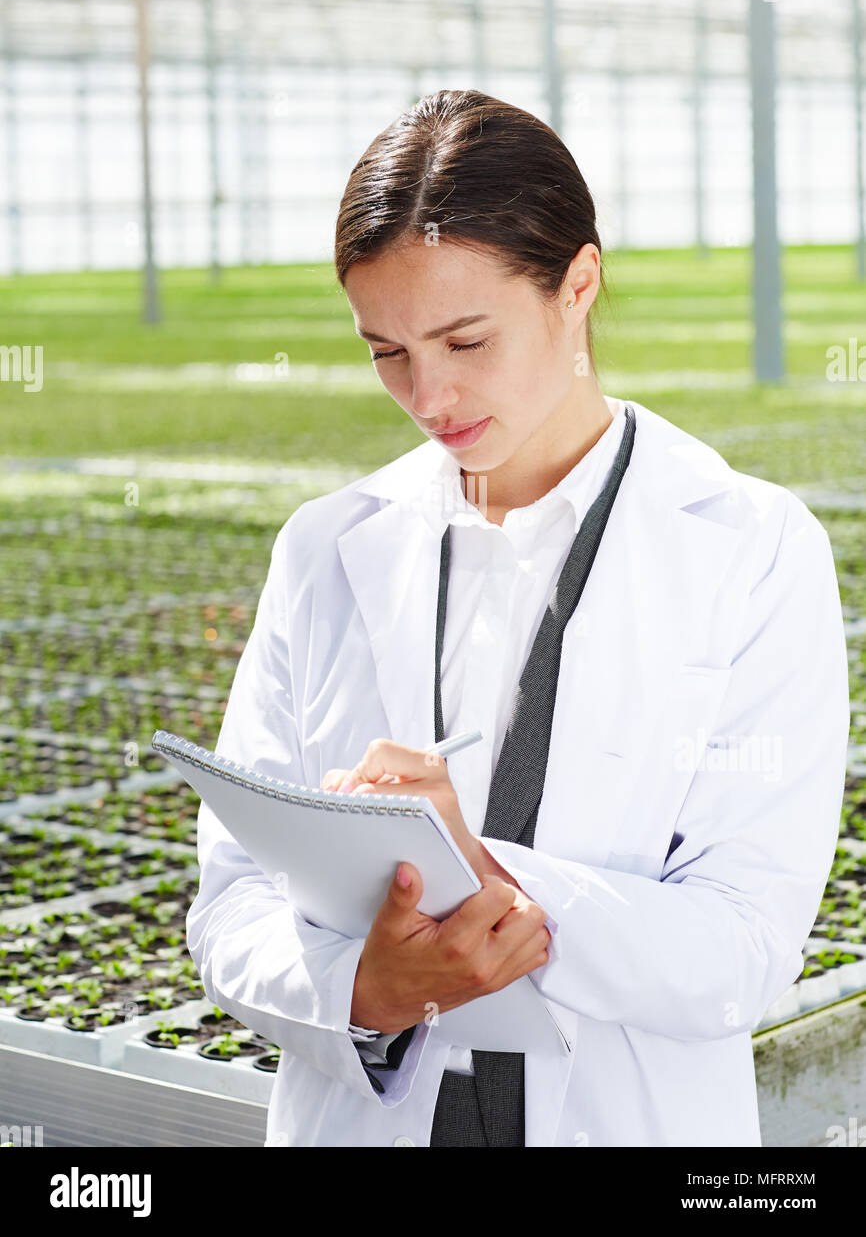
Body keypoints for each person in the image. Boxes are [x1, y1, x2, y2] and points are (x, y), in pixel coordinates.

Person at [186, 89, 850, 1147]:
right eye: (386, 351)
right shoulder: (324, 550)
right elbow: (230, 901)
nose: (427, 393)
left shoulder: (751, 550)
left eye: (462, 338)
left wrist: (487, 874)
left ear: (575, 284)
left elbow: (740, 947)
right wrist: (366, 989)